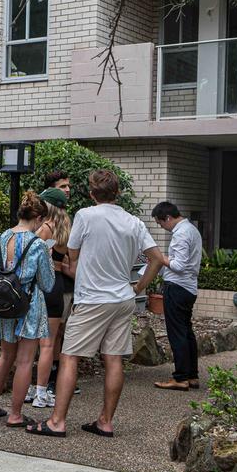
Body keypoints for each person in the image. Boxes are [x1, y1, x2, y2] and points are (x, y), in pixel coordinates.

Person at [29, 170, 163, 438]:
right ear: (118, 193)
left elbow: (72, 252)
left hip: (92, 298)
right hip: (123, 298)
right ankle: (105, 421)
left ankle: (57, 421)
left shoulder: (86, 216)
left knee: (69, 356)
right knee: (114, 359)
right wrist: (138, 287)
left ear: (92, 194)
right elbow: (157, 259)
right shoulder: (134, 222)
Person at [0, 192, 54, 428]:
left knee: (5, 356)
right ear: (39, 217)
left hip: (3, 304)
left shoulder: (0, 239)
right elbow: (48, 283)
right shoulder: (38, 245)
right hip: (28, 306)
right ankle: (15, 414)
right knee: (24, 361)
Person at [151, 201, 202, 391]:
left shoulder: (180, 234)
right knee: (187, 332)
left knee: (177, 333)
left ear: (168, 218)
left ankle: (180, 378)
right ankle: (192, 375)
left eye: (160, 223)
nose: (162, 227)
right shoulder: (191, 230)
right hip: (189, 287)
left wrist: (157, 256)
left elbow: (179, 265)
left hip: (177, 287)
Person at [29, 186, 72, 409]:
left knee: (40, 344)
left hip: (43, 285)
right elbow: (68, 261)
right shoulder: (65, 228)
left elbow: (30, 255)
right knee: (51, 342)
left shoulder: (45, 228)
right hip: (58, 285)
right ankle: (42, 390)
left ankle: (38, 391)